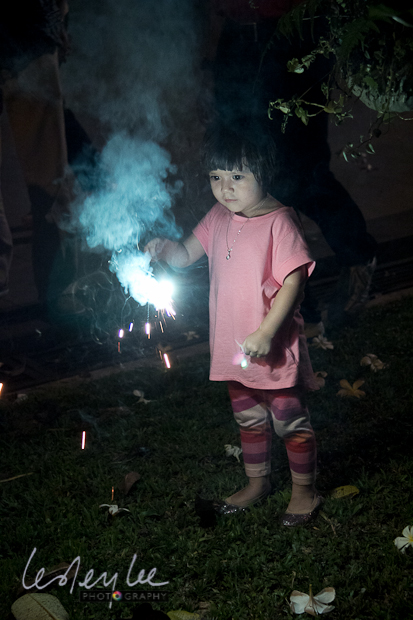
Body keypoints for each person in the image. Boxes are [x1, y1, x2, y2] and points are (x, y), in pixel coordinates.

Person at [145, 125, 322, 527]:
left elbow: (294, 282)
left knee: (289, 422)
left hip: (272, 349)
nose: (225, 188)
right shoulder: (218, 216)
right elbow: (185, 255)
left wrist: (265, 333)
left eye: (237, 176)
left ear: (265, 172)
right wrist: (165, 248)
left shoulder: (280, 222)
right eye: (216, 177)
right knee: (248, 419)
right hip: (234, 350)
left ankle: (304, 492)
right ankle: (257, 483)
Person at [199, 0, 377, 328]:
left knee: (303, 174)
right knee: (246, 170)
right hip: (237, 39)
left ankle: (357, 258)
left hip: (291, 38)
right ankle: (292, 305)